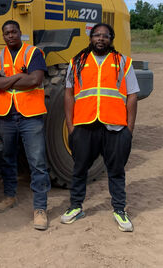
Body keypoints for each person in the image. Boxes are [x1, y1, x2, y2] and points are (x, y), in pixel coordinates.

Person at [60, 22, 139, 232]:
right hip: (84, 125)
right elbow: (68, 94)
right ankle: (76, 207)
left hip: (115, 127)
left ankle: (119, 210)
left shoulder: (123, 62)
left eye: (105, 35)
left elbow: (132, 95)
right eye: (97, 35)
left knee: (116, 171)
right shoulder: (76, 62)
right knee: (79, 169)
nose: (100, 39)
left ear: (111, 39)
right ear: (91, 38)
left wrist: (129, 129)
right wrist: (70, 126)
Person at [0, 20, 51, 230]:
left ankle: (40, 208)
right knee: (7, 159)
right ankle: (9, 196)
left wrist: (6, 80)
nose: (10, 35)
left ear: (20, 33)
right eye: (6, 33)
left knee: (37, 163)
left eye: (14, 31)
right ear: (3, 36)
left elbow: (35, 81)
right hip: (6, 116)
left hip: (30, 116)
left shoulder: (33, 53)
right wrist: (18, 76)